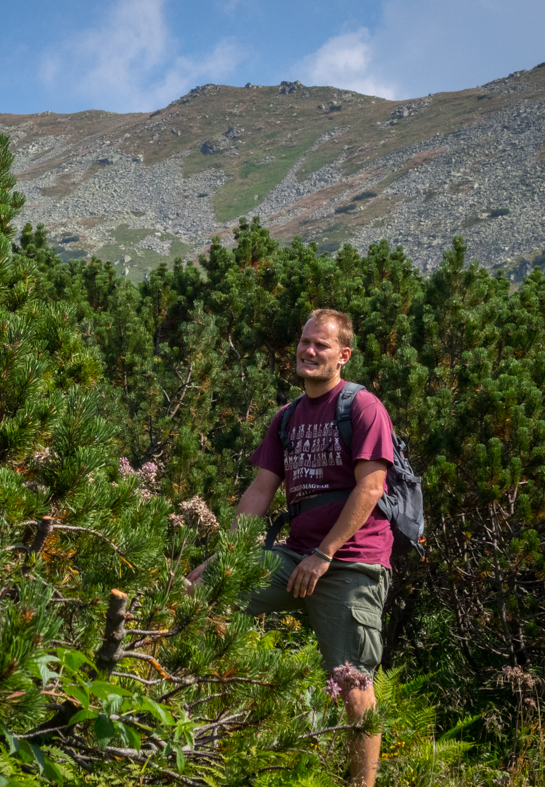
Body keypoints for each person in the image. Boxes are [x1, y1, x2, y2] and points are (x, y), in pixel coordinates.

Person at [187, 308, 394, 787]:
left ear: (343, 355)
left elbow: (371, 488)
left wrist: (324, 555)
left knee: (352, 683)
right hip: (296, 555)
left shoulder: (362, 408)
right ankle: (215, 728)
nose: (308, 351)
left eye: (321, 345)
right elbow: (260, 491)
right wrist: (229, 555)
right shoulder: (287, 417)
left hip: (349, 564)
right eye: (304, 342)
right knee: (201, 592)